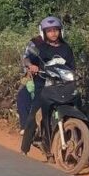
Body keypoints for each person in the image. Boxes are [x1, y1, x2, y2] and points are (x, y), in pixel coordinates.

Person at [20, 17, 76, 155]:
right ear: (44, 32)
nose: (53, 33)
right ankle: (25, 148)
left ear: (61, 31)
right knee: (34, 115)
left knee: (78, 107)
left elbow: (72, 67)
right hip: (43, 86)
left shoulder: (66, 48)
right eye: (49, 31)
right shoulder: (40, 47)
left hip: (63, 86)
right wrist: (31, 66)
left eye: (56, 30)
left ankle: (84, 147)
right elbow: (26, 59)